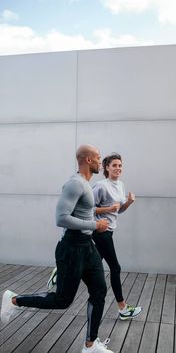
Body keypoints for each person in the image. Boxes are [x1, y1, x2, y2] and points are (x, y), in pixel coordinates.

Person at [0, 145, 114, 353]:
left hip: (88, 247)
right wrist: (95, 225)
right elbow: (61, 219)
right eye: (98, 158)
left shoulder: (86, 184)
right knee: (62, 300)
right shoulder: (74, 184)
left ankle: (90, 345)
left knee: (99, 291)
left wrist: (101, 215)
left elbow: (84, 210)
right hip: (71, 248)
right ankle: (14, 300)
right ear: (88, 160)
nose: (101, 161)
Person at [92, 153, 142, 320]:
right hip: (100, 231)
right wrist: (107, 210)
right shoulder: (101, 186)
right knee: (115, 267)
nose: (118, 168)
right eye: (114, 165)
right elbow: (87, 210)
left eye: (120, 165)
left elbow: (118, 210)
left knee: (92, 266)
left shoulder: (120, 185)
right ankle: (122, 307)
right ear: (107, 167)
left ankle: (63, 270)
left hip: (110, 230)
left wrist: (128, 202)